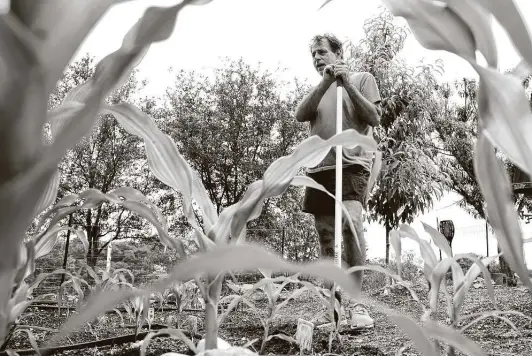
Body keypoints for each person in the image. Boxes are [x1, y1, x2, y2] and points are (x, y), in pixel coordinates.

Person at [295, 33, 382, 329]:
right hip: (320, 168)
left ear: (339, 53)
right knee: (325, 236)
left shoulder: (362, 78)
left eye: (321, 52)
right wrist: (326, 82)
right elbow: (300, 115)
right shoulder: (318, 90)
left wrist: (345, 84)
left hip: (352, 164)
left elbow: (374, 117)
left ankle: (357, 304)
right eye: (313, 55)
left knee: (351, 226)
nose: (317, 58)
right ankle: (330, 308)